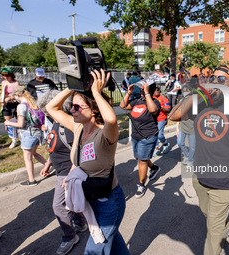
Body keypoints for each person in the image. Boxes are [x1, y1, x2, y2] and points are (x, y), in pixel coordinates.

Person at [170, 65, 229, 255]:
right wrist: (197, 94)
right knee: (207, 213)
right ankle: (223, 225)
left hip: (224, 181)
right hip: (199, 178)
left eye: (222, 79)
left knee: (213, 232)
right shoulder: (202, 104)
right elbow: (174, 116)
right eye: (213, 77)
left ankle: (219, 231)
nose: (216, 82)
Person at [46, 70, 130, 254]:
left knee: (94, 251)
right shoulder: (77, 127)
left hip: (109, 202)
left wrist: (97, 92)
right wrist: (72, 87)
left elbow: (111, 118)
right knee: (114, 244)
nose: (72, 110)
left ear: (93, 110)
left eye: (77, 107)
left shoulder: (105, 133)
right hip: (89, 199)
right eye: (72, 107)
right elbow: (51, 108)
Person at [37, 90, 87, 255]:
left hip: (66, 172)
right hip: (60, 170)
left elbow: (78, 150)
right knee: (71, 200)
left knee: (59, 206)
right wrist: (48, 163)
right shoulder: (56, 122)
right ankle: (80, 222)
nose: (45, 113)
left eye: (47, 109)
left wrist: (71, 173)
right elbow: (55, 148)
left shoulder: (67, 124)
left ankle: (69, 237)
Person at [119, 82, 161, 198]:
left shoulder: (155, 102)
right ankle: (154, 168)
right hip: (135, 136)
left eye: (143, 89)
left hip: (147, 136)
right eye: (141, 89)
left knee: (142, 160)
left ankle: (141, 184)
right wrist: (128, 93)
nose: (141, 90)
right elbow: (123, 106)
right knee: (139, 157)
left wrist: (147, 93)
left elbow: (153, 111)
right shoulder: (137, 101)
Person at [4, 86, 46, 187]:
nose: (14, 99)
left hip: (28, 134)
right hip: (37, 133)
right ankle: (49, 165)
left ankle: (31, 180)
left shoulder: (21, 106)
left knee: (27, 158)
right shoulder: (33, 103)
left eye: (14, 97)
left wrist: (8, 123)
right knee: (34, 153)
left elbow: (21, 124)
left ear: (17, 95)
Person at [0, 67, 21, 148]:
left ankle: (21, 137)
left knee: (17, 120)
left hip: (14, 104)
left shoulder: (16, 83)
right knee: (8, 121)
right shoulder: (3, 83)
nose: (5, 77)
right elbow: (2, 93)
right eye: (3, 76)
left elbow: (18, 95)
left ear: (11, 75)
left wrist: (10, 98)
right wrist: (0, 97)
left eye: (7, 75)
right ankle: (14, 140)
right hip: (6, 105)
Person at [152, 85, 171, 156]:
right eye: (155, 90)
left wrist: (160, 106)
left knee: (160, 135)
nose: (157, 91)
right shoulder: (151, 98)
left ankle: (165, 144)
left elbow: (167, 109)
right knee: (154, 134)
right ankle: (157, 148)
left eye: (158, 90)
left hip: (161, 119)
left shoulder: (163, 98)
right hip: (153, 119)